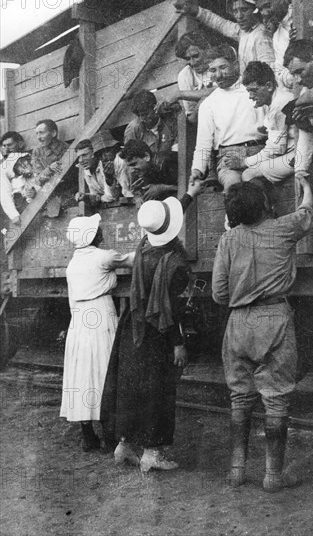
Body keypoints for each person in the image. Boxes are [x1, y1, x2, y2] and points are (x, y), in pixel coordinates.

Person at [212, 177, 313, 491]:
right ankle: (273, 476)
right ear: (265, 207)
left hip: (239, 322)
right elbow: (307, 213)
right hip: (275, 319)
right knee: (277, 400)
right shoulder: (283, 228)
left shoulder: (228, 240)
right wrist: (306, 185)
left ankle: (237, 471)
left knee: (240, 399)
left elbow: (218, 293)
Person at [101, 180, 203, 472]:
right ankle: (152, 453)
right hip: (158, 331)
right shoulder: (176, 265)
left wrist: (189, 195)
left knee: (130, 386)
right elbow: (171, 311)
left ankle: (124, 445)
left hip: (133, 328)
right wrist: (179, 343)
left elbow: (161, 222)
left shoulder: (143, 246)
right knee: (158, 389)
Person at [60, 214, 135, 452]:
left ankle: (88, 435)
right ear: (93, 236)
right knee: (105, 369)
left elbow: (72, 299)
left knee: (82, 373)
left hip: (80, 319)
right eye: (98, 230)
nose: (101, 232)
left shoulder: (72, 264)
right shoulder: (104, 256)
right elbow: (134, 259)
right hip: (101, 314)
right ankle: (110, 436)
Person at [191, 43, 266, 192]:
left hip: (257, 153)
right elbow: (203, 144)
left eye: (223, 67)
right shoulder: (209, 104)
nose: (218, 75)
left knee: (255, 186)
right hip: (227, 158)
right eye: (212, 70)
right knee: (233, 188)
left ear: (236, 66)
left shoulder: (253, 92)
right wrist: (197, 170)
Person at [174, 0, 275, 75]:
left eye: (244, 10)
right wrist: (195, 10)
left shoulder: (261, 35)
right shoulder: (243, 32)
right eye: (235, 11)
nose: (239, 16)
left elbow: (268, 70)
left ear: (255, 10)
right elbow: (220, 24)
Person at [224, 61, 295, 183]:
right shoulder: (277, 98)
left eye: (254, 90)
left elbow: (275, 150)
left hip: (296, 155)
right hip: (290, 152)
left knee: (248, 175)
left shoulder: (278, 105)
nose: (250, 96)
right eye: (248, 91)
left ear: (269, 86)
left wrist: (244, 162)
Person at [253, 0, 294, 86]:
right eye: (261, 9)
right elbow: (279, 74)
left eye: (267, 6)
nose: (264, 13)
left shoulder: (300, 14)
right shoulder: (277, 37)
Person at [172, 31, 215, 124]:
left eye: (196, 56)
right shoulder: (185, 75)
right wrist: (200, 105)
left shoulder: (217, 65)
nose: (193, 63)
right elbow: (192, 118)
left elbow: (219, 91)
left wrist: (181, 94)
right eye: (187, 59)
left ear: (206, 49)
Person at [123, 90, 178, 156]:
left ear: (155, 108)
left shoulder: (169, 121)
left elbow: (177, 150)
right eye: (139, 116)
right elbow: (129, 158)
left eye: (145, 114)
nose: (141, 119)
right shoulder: (134, 128)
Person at [74, 136, 119, 205]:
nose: (81, 160)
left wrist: (97, 198)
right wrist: (86, 196)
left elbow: (111, 197)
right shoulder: (85, 170)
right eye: (79, 157)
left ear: (94, 153)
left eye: (84, 155)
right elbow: (95, 194)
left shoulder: (104, 164)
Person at [0, 153, 36, 224]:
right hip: (20, 199)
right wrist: (13, 215)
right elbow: (4, 194)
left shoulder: (13, 157)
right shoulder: (2, 172)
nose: (23, 166)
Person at [31, 119, 69, 186]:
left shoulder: (65, 148)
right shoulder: (37, 151)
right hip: (48, 190)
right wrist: (50, 169)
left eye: (42, 133)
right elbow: (37, 181)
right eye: (37, 134)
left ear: (53, 133)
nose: (38, 137)